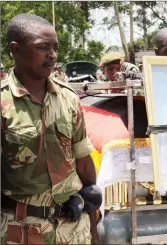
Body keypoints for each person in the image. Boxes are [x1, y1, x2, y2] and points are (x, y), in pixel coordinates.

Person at [1, 13, 100, 244]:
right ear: (16, 50)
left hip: (73, 230)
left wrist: (93, 229)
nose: (53, 55)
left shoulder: (68, 98)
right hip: (21, 232)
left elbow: (84, 164)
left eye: (55, 47)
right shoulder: (3, 102)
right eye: (43, 47)